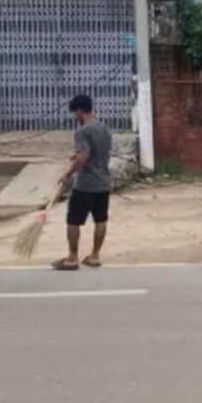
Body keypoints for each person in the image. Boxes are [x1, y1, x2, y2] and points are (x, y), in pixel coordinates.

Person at [53, 95, 113, 271]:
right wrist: (78, 155)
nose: (74, 117)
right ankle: (95, 256)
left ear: (80, 110)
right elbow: (98, 152)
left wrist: (68, 174)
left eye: (75, 113)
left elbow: (85, 156)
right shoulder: (104, 129)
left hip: (86, 184)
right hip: (103, 182)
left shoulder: (82, 131)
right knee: (100, 219)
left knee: (73, 220)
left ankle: (72, 257)